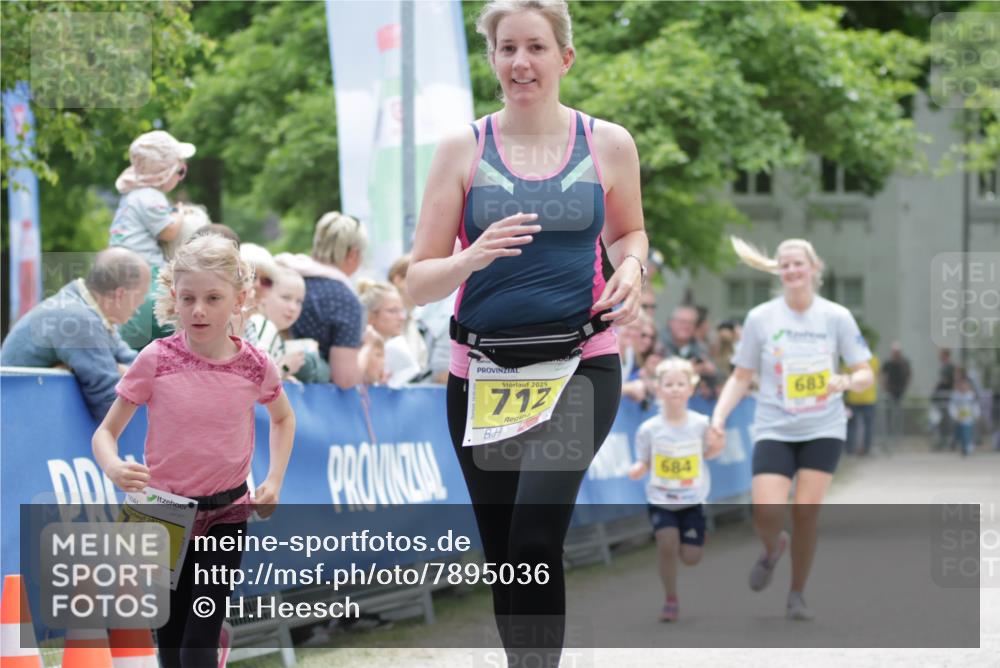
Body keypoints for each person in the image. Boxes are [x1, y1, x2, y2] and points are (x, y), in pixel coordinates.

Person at [407, 1, 646, 664]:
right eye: (506, 48)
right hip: (482, 373)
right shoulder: (463, 148)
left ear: (565, 58)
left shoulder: (608, 143)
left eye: (536, 47)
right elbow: (417, 279)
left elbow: (629, 230)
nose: (521, 62)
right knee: (505, 552)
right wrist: (470, 257)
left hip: (580, 366)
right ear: (492, 61)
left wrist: (631, 265)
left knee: (536, 537)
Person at [91, 234, 295, 668]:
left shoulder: (255, 365)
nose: (199, 309)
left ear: (239, 300)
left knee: (195, 645)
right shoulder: (155, 360)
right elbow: (105, 433)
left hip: (228, 512)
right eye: (188, 298)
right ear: (174, 299)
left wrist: (274, 479)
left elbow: (283, 418)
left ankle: (211, 639)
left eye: (213, 297)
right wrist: (112, 466)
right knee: (171, 641)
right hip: (164, 514)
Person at [708, 237, 872, 621]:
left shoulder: (836, 317)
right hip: (774, 424)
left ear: (815, 268)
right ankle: (771, 547)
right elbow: (741, 376)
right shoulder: (761, 318)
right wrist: (718, 418)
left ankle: (797, 593)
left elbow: (864, 372)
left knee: (804, 512)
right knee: (766, 512)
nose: (792, 271)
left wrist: (845, 382)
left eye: (799, 264)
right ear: (777, 271)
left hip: (823, 425)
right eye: (785, 265)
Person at [1, 248, 150, 420]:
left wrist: (119, 368)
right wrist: (119, 370)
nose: (142, 304)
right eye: (142, 295)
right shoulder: (79, 321)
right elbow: (109, 407)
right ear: (120, 294)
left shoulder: (88, 307)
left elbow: (137, 366)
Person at [628, 357, 723, 622]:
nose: (675, 389)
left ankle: (695, 536)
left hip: (693, 499)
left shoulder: (701, 424)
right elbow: (643, 460)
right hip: (661, 499)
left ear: (690, 389)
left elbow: (712, 453)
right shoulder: (649, 429)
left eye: (681, 383)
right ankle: (670, 598)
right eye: (668, 384)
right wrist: (638, 468)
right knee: (666, 545)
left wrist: (717, 445)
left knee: (691, 557)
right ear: (658, 389)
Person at [110, 130, 195, 349]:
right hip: (146, 275)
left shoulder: (132, 196)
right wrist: (179, 214)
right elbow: (168, 232)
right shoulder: (151, 196)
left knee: (128, 336)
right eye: (181, 171)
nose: (180, 177)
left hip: (122, 275)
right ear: (163, 174)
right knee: (173, 326)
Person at [281, 212, 368, 388]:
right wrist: (370, 347)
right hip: (312, 401)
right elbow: (345, 379)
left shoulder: (284, 277)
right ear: (352, 254)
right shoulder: (345, 300)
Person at [357, 280, 421, 388]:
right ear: (371, 316)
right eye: (392, 311)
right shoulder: (356, 350)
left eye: (402, 311)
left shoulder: (398, 348)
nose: (402, 317)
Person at [845, 333, 879, 456]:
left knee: (852, 427)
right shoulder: (874, 360)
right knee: (868, 427)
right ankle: (866, 450)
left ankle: (850, 450)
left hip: (854, 398)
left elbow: (844, 374)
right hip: (869, 399)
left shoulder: (850, 361)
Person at [949, 374, 980, 457]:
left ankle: (967, 448)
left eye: (965, 385)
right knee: (959, 434)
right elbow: (952, 407)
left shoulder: (971, 395)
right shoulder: (955, 395)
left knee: (967, 433)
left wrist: (976, 415)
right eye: (961, 385)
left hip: (968, 419)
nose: (963, 387)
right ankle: (959, 444)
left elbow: (975, 406)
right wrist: (955, 416)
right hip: (958, 419)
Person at [933, 348, 956, 450]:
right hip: (942, 397)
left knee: (947, 420)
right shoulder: (945, 366)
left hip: (947, 397)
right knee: (942, 420)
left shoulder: (949, 366)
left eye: (941, 355)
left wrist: (938, 386)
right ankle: (943, 441)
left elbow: (947, 382)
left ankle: (949, 441)